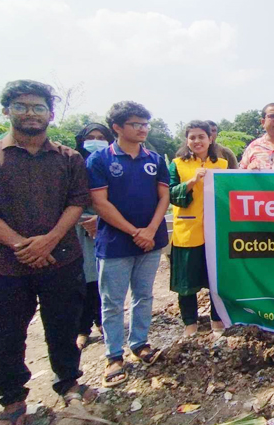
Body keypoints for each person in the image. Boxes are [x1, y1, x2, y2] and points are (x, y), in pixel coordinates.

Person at [0, 80, 96, 425]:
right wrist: (21, 245)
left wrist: (50, 239)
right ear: (6, 111)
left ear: (50, 114)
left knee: (63, 326)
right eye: (21, 106)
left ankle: (68, 384)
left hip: (61, 258)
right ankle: (12, 400)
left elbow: (77, 201)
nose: (30, 114)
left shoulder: (68, 158)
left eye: (38, 107)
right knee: (6, 333)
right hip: (6, 264)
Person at [87, 101, 169, 387]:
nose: (142, 129)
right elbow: (100, 203)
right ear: (117, 127)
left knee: (144, 296)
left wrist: (150, 230)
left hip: (152, 239)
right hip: (115, 243)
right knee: (112, 301)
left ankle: (140, 344)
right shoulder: (100, 160)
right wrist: (136, 231)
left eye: (145, 124)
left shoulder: (155, 159)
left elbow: (164, 198)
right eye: (136, 124)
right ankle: (113, 355)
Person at [169, 121, 228, 337]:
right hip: (187, 231)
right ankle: (190, 323)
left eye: (201, 136)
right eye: (192, 137)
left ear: (210, 138)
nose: (197, 141)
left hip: (215, 231)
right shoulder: (177, 164)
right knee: (186, 281)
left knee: (216, 277)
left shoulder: (221, 164)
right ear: (187, 140)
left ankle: (217, 319)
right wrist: (192, 181)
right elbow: (171, 193)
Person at [73, 123, 115, 350]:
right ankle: (82, 328)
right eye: (91, 137)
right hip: (75, 227)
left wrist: (99, 220)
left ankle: (102, 321)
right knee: (82, 278)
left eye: (101, 137)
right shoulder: (72, 162)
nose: (96, 140)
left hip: (107, 225)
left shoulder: (111, 163)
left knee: (103, 278)